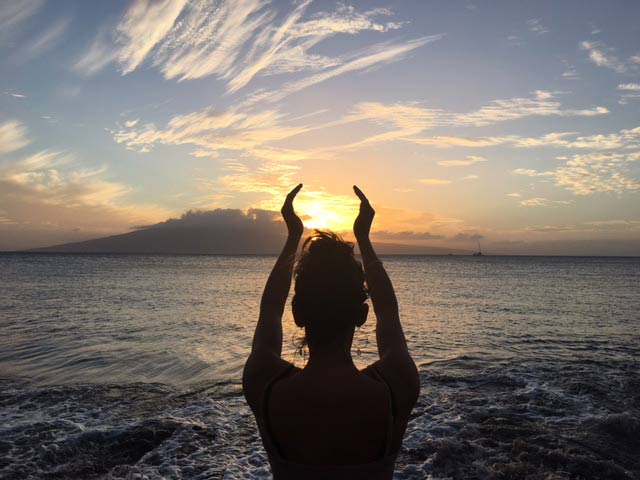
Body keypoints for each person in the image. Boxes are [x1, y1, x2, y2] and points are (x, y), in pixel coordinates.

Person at [243, 184, 420, 479]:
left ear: (298, 314)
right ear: (362, 316)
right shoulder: (394, 387)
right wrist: (363, 238)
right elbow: (388, 310)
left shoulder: (266, 385)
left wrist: (292, 237)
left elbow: (271, 308)